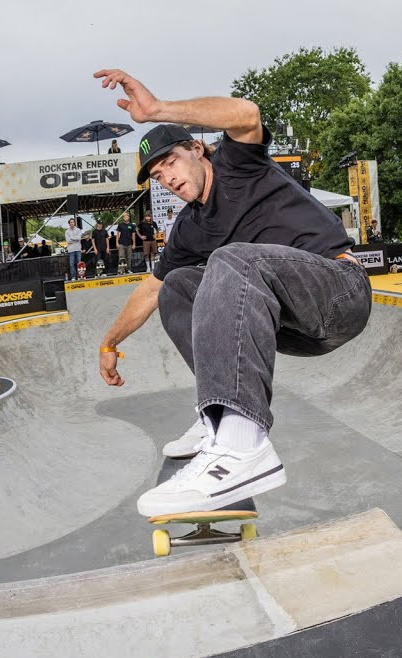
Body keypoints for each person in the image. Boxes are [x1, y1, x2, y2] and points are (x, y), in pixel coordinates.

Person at [92, 69, 372, 517]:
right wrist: (110, 341)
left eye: (172, 163)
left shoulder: (236, 164)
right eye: (159, 176)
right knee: (179, 286)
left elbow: (246, 114)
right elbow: (150, 290)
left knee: (233, 258)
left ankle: (245, 447)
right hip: (289, 327)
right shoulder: (187, 229)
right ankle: (219, 420)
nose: (168, 178)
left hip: (339, 292)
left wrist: (157, 110)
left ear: (198, 150)